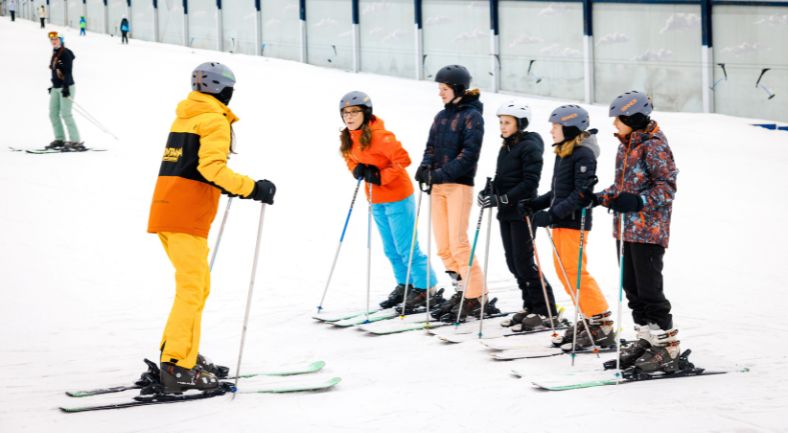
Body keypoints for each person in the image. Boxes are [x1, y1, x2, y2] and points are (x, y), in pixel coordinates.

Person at [147, 62, 277, 394]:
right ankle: (176, 365)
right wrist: (253, 187)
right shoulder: (214, 119)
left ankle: (179, 354)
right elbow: (211, 168)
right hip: (186, 215)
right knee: (192, 290)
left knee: (195, 288)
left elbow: (194, 165)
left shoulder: (187, 115)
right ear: (223, 90)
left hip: (168, 209)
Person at [585, 90, 680, 372]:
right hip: (625, 230)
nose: (614, 125)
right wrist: (598, 198)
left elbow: (667, 187)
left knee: (650, 292)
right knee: (632, 290)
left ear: (632, 117)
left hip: (649, 231)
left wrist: (639, 201)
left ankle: (667, 347)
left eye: (618, 119)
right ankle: (645, 340)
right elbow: (621, 189)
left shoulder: (654, 145)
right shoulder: (625, 146)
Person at [338, 91, 441, 312]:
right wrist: (356, 169)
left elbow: (403, 159)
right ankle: (406, 284)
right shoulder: (348, 137)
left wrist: (381, 176)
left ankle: (426, 287)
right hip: (375, 198)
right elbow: (347, 157)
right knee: (390, 248)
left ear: (366, 113)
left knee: (406, 247)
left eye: (354, 112)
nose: (349, 117)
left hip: (397, 197)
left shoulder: (380, 136)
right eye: (345, 113)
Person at [523, 104, 614, 349]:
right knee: (564, 272)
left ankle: (601, 323)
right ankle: (588, 319)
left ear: (570, 127)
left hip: (575, 221)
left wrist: (551, 214)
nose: (552, 131)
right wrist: (536, 204)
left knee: (575, 272)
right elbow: (558, 192)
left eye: (555, 126)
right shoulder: (565, 151)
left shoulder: (583, 154)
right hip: (561, 220)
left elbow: (581, 194)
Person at [415, 64, 497, 322]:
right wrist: (424, 167)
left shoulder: (473, 117)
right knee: (443, 246)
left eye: (444, 89)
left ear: (458, 89)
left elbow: (468, 155)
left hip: (459, 185)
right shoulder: (441, 116)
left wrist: (438, 174)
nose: (440, 93)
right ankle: (461, 291)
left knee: (459, 243)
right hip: (437, 186)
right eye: (439, 88)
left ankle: (477, 296)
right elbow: (431, 146)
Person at [478, 101, 558, 331]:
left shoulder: (529, 147)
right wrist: (490, 190)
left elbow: (529, 183)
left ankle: (546, 311)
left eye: (507, 122)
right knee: (513, 263)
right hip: (507, 213)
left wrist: (503, 198)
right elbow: (503, 177)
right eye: (501, 122)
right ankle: (530, 306)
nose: (502, 126)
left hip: (523, 211)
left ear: (520, 124)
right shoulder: (507, 146)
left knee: (525, 263)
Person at [46, 32, 83, 151]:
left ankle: (75, 141)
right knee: (53, 114)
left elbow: (68, 72)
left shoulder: (65, 53)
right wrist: (54, 85)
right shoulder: (55, 53)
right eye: (52, 39)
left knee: (66, 113)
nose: (54, 41)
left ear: (61, 40)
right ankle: (60, 139)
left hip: (66, 87)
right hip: (56, 88)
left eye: (56, 39)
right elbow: (56, 71)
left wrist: (66, 87)